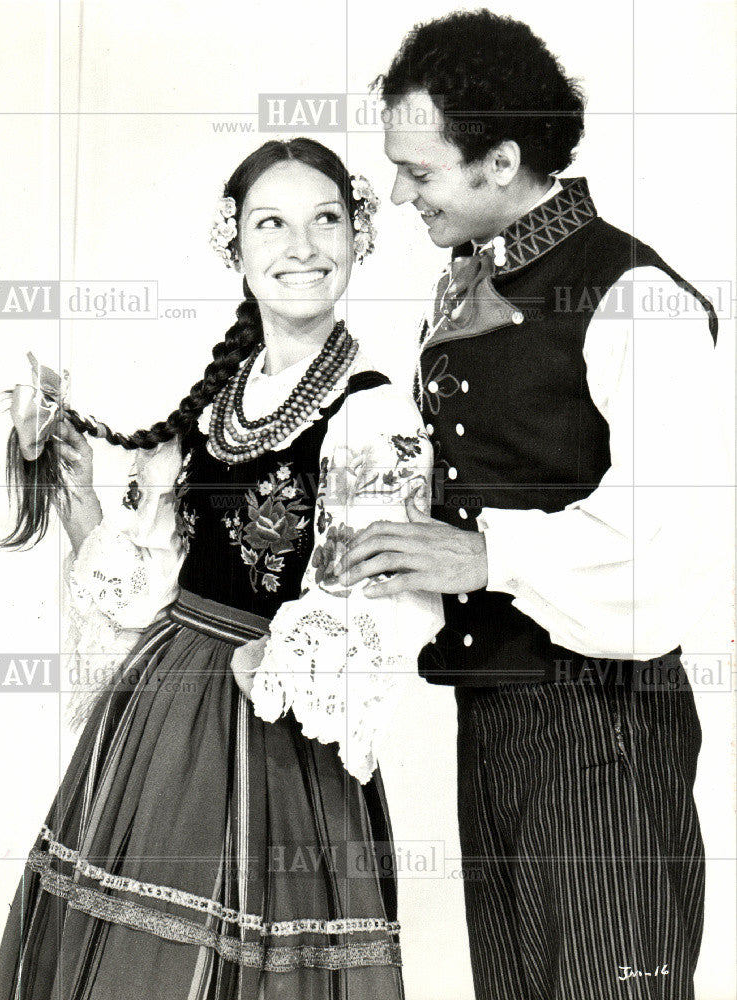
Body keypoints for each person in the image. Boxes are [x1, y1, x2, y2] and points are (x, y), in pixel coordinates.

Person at [0, 137, 442, 1000]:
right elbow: (152, 585)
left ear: (359, 238)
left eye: (325, 221)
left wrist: (282, 660)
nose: (300, 247)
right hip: (160, 717)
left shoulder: (371, 408)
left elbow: (386, 597)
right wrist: (81, 496)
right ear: (233, 244)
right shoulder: (215, 404)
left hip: (275, 732)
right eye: (271, 223)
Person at [336, 10, 721, 1000]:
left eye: (417, 173)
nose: (396, 193)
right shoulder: (470, 284)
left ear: (500, 160)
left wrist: (481, 558)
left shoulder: (632, 294)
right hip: (495, 718)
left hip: (601, 727)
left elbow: (663, 546)